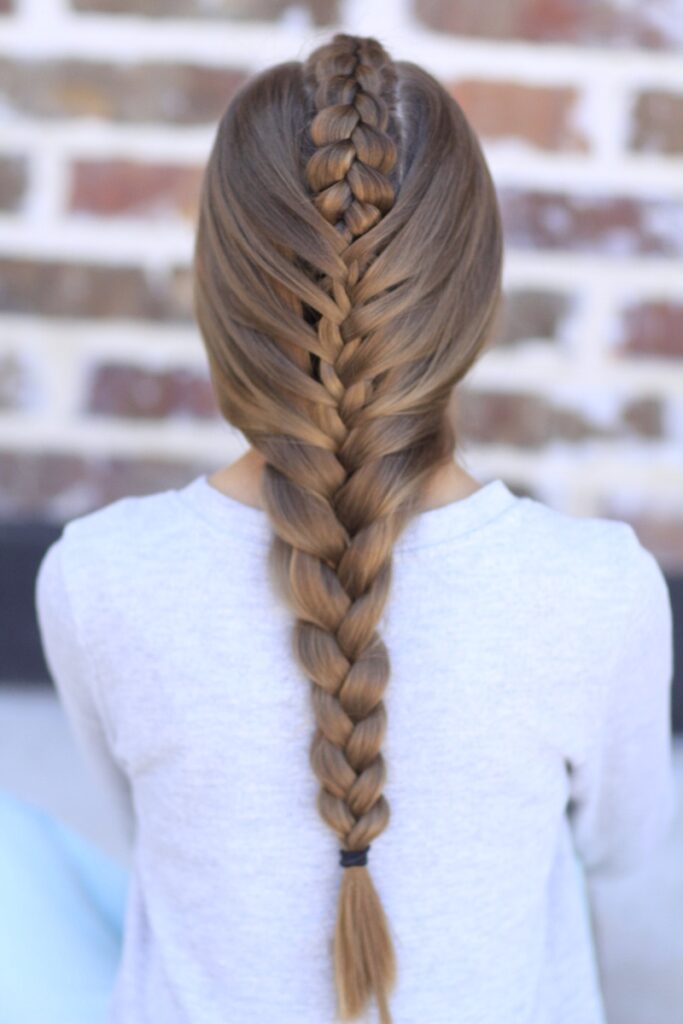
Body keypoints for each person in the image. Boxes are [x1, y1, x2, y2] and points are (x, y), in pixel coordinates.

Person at [29, 31, 677, 1024]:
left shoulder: (96, 576)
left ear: (217, 297)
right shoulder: (599, 591)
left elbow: (142, 830)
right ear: (473, 303)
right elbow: (626, 879)